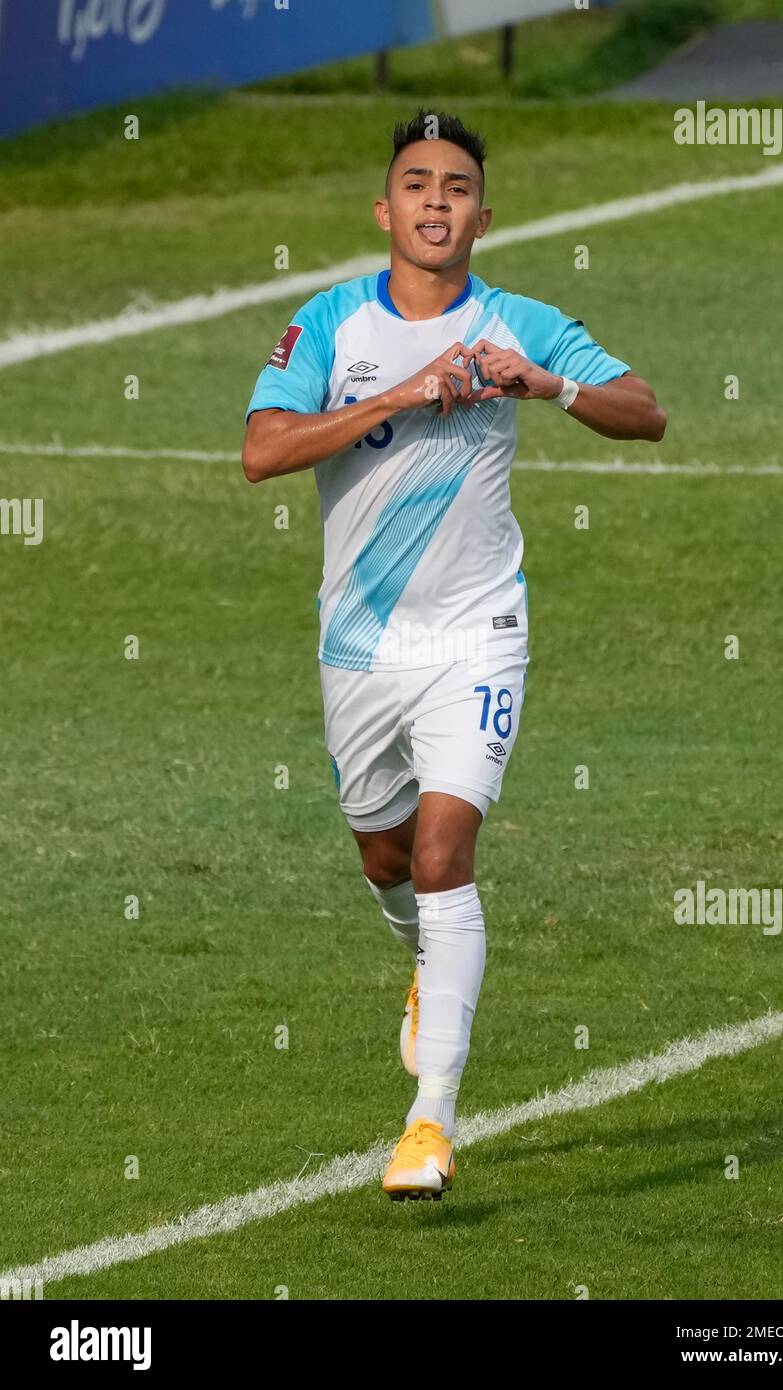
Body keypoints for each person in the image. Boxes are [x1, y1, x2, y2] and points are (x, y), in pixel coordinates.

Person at [242, 109, 666, 1201]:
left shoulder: (518, 322)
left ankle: (429, 1123)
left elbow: (645, 411)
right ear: (384, 211)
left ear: (484, 211)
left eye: (458, 186)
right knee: (384, 859)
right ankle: (425, 973)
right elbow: (261, 450)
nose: (438, 202)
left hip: (479, 635)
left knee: (441, 856)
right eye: (417, 184)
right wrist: (397, 396)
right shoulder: (329, 324)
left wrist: (544, 384)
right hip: (360, 647)